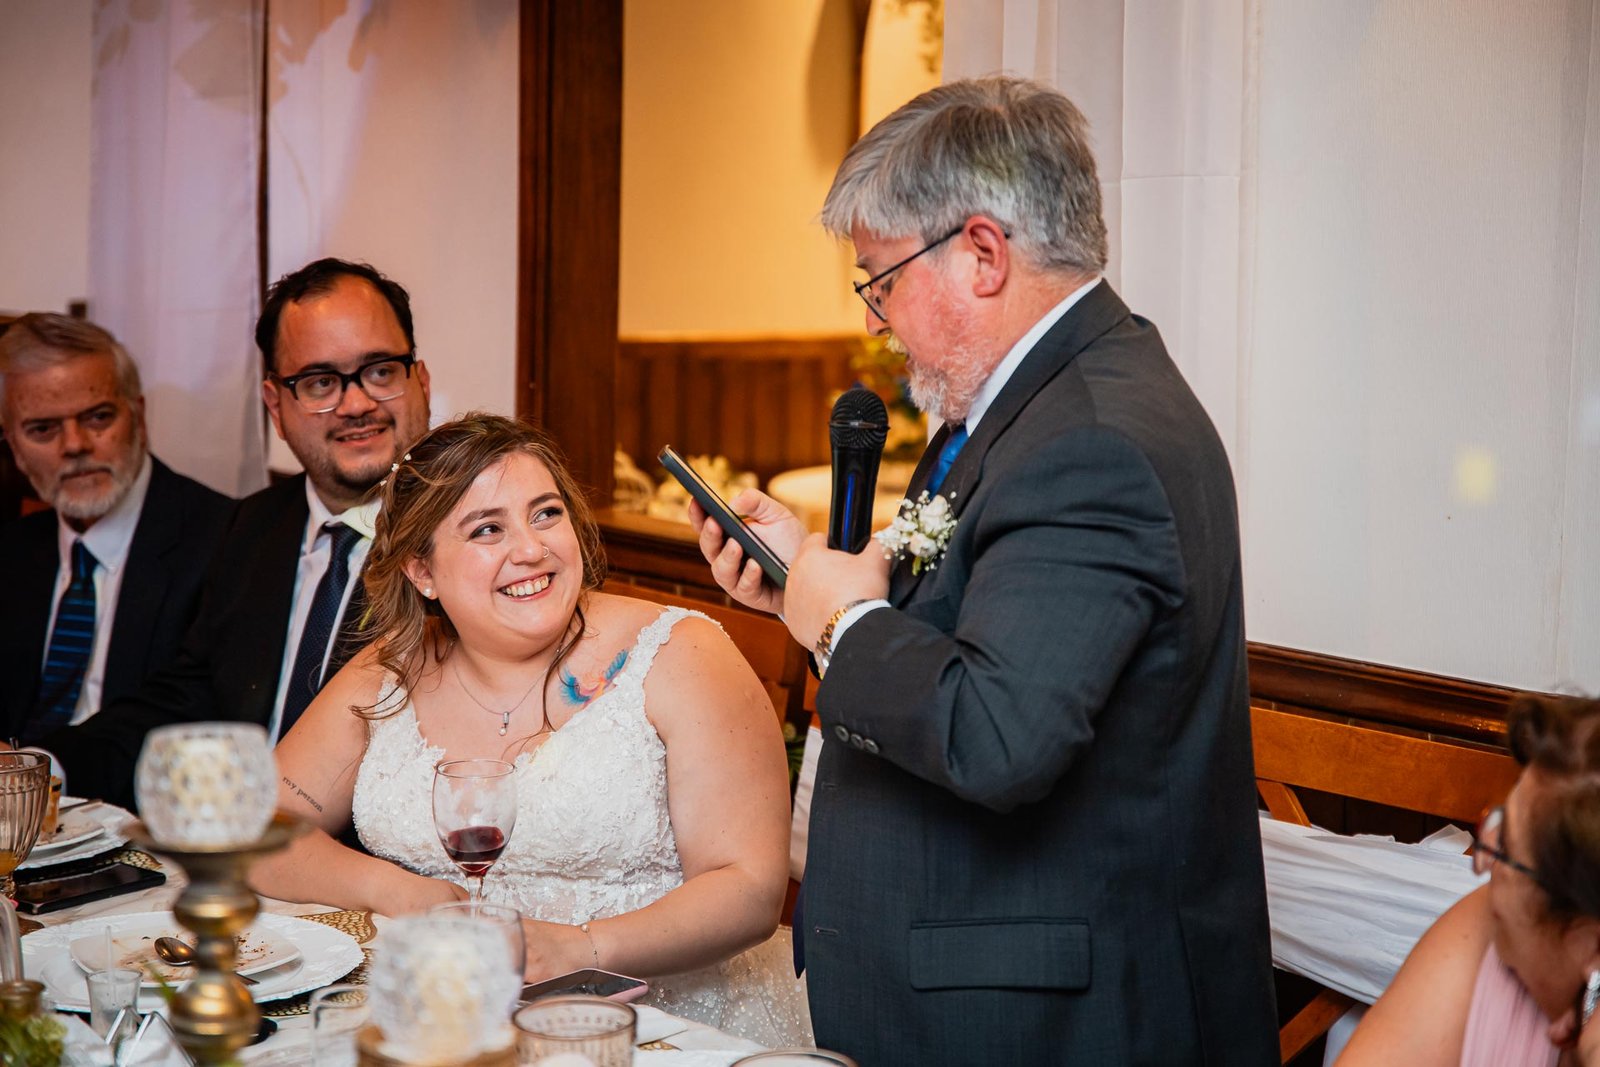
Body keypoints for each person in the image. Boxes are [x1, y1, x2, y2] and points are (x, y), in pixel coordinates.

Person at [692, 76, 1277, 1063]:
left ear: (981, 253)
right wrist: (808, 580)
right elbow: (977, 616)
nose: (873, 319)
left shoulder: (1089, 440)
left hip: (1048, 1023)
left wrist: (842, 626)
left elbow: (999, 733)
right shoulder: (1033, 400)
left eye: (879, 279)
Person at [250, 413, 811, 1046]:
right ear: (421, 571)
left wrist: (581, 947)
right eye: (487, 529)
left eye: (546, 514)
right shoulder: (389, 671)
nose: (531, 549)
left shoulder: (680, 656)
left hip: (667, 1026)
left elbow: (748, 889)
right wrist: (398, 891)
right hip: (449, 1023)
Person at [21, 259, 432, 807]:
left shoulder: (469, 537)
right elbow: (186, 699)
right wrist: (39, 768)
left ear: (420, 381)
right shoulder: (251, 527)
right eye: (319, 382)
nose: (356, 404)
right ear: (276, 407)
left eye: (380, 371)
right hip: (227, 838)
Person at [0, 314, 232, 742]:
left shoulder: (225, 541)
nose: (75, 445)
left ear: (138, 417)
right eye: (43, 428)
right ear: (14, 447)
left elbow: (189, 721)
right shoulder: (11, 552)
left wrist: (36, 767)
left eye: (98, 417)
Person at [1336, 693, 1600, 1067]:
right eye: (1499, 824)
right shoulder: (1486, 928)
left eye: (1506, 850)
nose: (1485, 862)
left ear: (1591, 946)